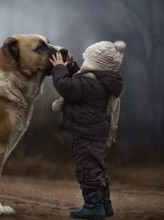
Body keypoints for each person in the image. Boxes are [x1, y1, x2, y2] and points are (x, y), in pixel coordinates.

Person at [49, 41, 125, 219]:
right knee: (97, 168)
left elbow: (66, 86)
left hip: (86, 135)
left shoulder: (89, 84)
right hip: (96, 134)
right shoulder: (102, 81)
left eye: (87, 60)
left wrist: (59, 68)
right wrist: (72, 67)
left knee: (88, 169)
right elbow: (81, 82)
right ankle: (104, 204)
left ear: (95, 64)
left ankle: (93, 207)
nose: (84, 63)